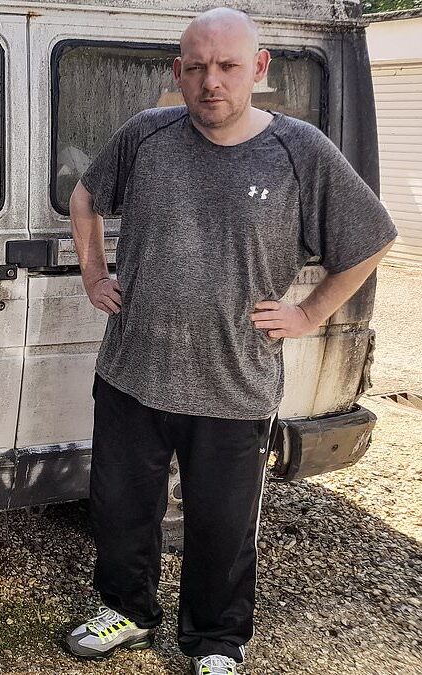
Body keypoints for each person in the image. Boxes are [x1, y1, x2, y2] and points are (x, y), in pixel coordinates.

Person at [62, 7, 397, 675]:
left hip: (233, 384)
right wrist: (95, 273)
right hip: (132, 371)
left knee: (222, 528)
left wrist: (308, 313)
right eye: (197, 67)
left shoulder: (299, 151)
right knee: (124, 510)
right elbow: (84, 197)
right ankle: (127, 609)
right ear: (178, 72)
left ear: (259, 69)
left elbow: (371, 237)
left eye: (227, 66)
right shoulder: (146, 136)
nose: (211, 81)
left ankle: (216, 639)